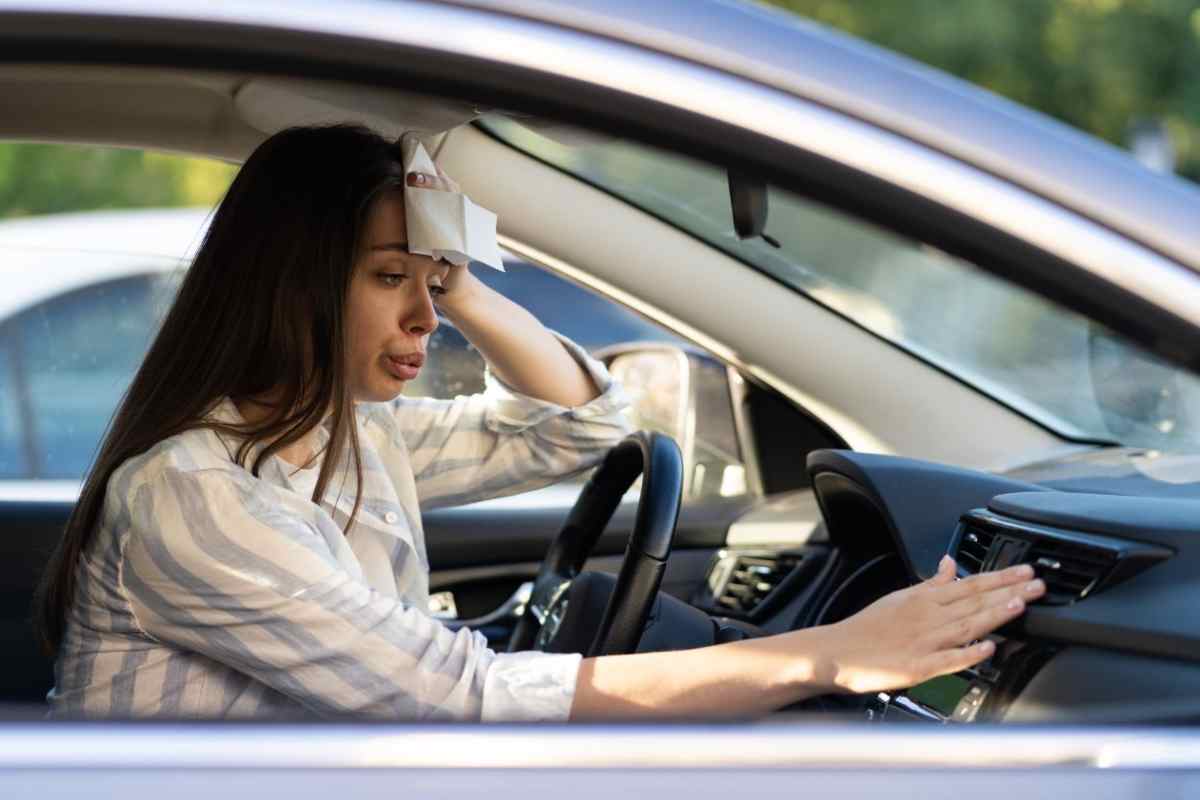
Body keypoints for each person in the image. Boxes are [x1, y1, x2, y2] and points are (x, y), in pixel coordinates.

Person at [34, 124, 1045, 722]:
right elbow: (453, 694)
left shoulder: (344, 435)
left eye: (432, 283)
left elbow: (578, 426)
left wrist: (458, 276)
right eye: (391, 279)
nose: (425, 317)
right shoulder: (196, 492)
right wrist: (828, 655)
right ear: (289, 284)